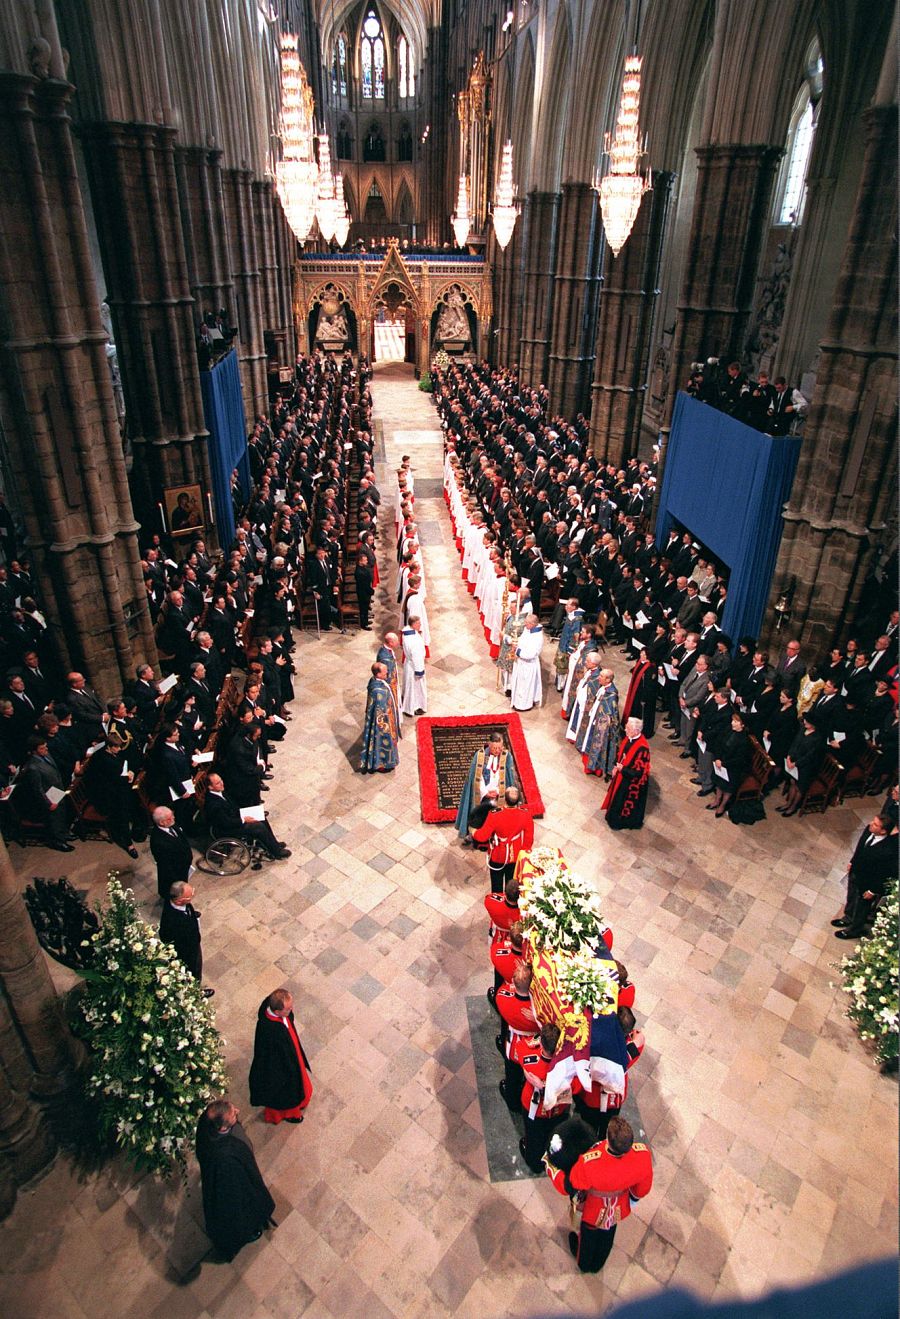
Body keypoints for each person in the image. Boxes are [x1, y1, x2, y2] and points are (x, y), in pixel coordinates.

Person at [546, 1115, 653, 1273]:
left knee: (587, 1237)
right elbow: (642, 1190)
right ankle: (599, 1262)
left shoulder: (590, 1162)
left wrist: (551, 1167)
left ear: (608, 1140)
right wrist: (630, 1200)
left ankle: (585, 1264)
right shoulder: (643, 1156)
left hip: (593, 1210)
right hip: (618, 1208)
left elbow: (571, 1184)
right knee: (608, 1232)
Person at [195, 1098, 275, 1261]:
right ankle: (247, 1232)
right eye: (233, 1114)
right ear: (223, 1127)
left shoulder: (205, 1125)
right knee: (240, 1213)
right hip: (235, 1191)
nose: (237, 1112)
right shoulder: (226, 1158)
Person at [248, 988, 313, 1124]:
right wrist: (291, 1069)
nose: (291, 1010)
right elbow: (272, 1058)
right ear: (277, 1012)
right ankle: (290, 1114)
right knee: (287, 1093)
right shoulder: (270, 1030)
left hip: (291, 1054)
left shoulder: (275, 1008)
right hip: (282, 1069)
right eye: (288, 1009)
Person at [832, 814, 898, 940]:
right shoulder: (868, 831)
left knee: (861, 907)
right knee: (851, 898)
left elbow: (884, 873)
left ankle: (854, 930)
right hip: (856, 873)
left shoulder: (888, 850)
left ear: (883, 831)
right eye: (873, 821)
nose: (871, 824)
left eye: (875, 824)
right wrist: (852, 862)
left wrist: (873, 890)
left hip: (868, 883)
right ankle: (848, 917)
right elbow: (860, 847)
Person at [203, 772, 291, 860]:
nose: (222, 783)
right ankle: (276, 852)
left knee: (261, 816)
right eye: (218, 783)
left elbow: (233, 806)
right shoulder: (213, 804)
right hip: (227, 829)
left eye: (221, 780)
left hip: (234, 818)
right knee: (258, 827)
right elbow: (226, 823)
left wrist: (246, 812)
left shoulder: (220, 791)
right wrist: (243, 820)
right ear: (210, 787)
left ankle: (273, 844)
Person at [455, 731, 517, 840]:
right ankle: (475, 835)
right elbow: (476, 777)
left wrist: (498, 791)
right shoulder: (479, 755)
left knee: (496, 816)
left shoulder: (507, 756)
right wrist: (485, 792)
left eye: (500, 747)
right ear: (489, 744)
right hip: (483, 793)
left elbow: (508, 777)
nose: (497, 751)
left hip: (499, 794)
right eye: (494, 748)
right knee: (480, 816)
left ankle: (495, 835)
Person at [472, 785, 534, 893]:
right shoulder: (526, 814)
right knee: (512, 886)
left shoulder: (495, 815)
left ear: (504, 799)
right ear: (518, 801)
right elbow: (528, 840)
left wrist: (473, 831)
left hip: (497, 855)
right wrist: (521, 856)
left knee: (496, 886)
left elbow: (482, 836)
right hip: (515, 855)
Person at [158, 880, 214, 996]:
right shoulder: (172, 920)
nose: (193, 896)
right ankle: (194, 993)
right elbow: (166, 937)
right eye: (190, 896)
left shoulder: (182, 904)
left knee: (197, 971)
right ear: (179, 901)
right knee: (192, 974)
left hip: (193, 945)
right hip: (186, 955)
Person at [602, 717, 652, 830]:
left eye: (628, 728)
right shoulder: (629, 738)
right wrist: (616, 766)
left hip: (631, 784)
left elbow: (638, 773)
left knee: (621, 802)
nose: (625, 730)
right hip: (622, 774)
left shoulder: (643, 749)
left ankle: (618, 823)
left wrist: (622, 769)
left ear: (636, 731)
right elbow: (621, 753)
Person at [360, 661, 400, 772]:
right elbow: (381, 713)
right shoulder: (378, 691)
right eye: (385, 672)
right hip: (381, 724)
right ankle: (382, 764)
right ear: (378, 674)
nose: (387, 674)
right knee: (382, 742)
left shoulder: (375, 681)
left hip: (384, 718)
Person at [581, 670, 620, 778]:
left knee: (599, 743)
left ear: (608, 680)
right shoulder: (602, 687)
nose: (599, 677)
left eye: (601, 676)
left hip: (602, 725)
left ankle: (596, 767)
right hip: (595, 718)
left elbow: (609, 713)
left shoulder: (611, 695)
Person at [510, 612, 544, 712]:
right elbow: (522, 639)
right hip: (521, 663)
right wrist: (515, 642)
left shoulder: (537, 637)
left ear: (533, 624)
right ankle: (517, 701)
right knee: (519, 684)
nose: (525, 624)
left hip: (528, 665)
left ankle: (524, 705)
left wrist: (517, 650)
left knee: (525, 686)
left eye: (527, 623)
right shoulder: (528, 629)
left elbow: (530, 654)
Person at [620, 647, 656, 738]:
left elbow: (649, 686)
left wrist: (644, 698)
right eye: (641, 653)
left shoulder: (650, 668)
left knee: (642, 714)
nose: (641, 655)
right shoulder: (639, 662)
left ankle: (643, 731)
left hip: (643, 696)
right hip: (635, 692)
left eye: (643, 654)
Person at [399, 616, 427, 716]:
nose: (420, 625)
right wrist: (419, 671)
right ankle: (415, 707)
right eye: (418, 623)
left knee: (409, 686)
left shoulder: (407, 633)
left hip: (409, 664)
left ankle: (408, 704)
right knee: (416, 688)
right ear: (413, 624)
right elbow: (417, 656)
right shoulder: (415, 641)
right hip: (415, 666)